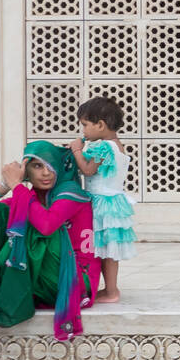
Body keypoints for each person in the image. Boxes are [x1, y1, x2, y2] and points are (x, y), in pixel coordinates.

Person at [0, 141, 99, 341]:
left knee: (34, 228)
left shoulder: (71, 192)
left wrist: (17, 187)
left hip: (75, 279)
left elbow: (46, 225)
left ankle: (10, 306)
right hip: (46, 278)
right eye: (37, 166)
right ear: (26, 170)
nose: (46, 173)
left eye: (51, 166)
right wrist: (5, 185)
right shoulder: (30, 197)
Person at [70, 96, 135, 302]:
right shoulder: (117, 145)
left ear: (100, 125)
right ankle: (109, 289)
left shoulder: (104, 147)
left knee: (101, 248)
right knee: (108, 248)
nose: (83, 131)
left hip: (101, 201)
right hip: (113, 201)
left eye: (85, 125)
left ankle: (110, 291)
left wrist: (77, 151)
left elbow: (88, 170)